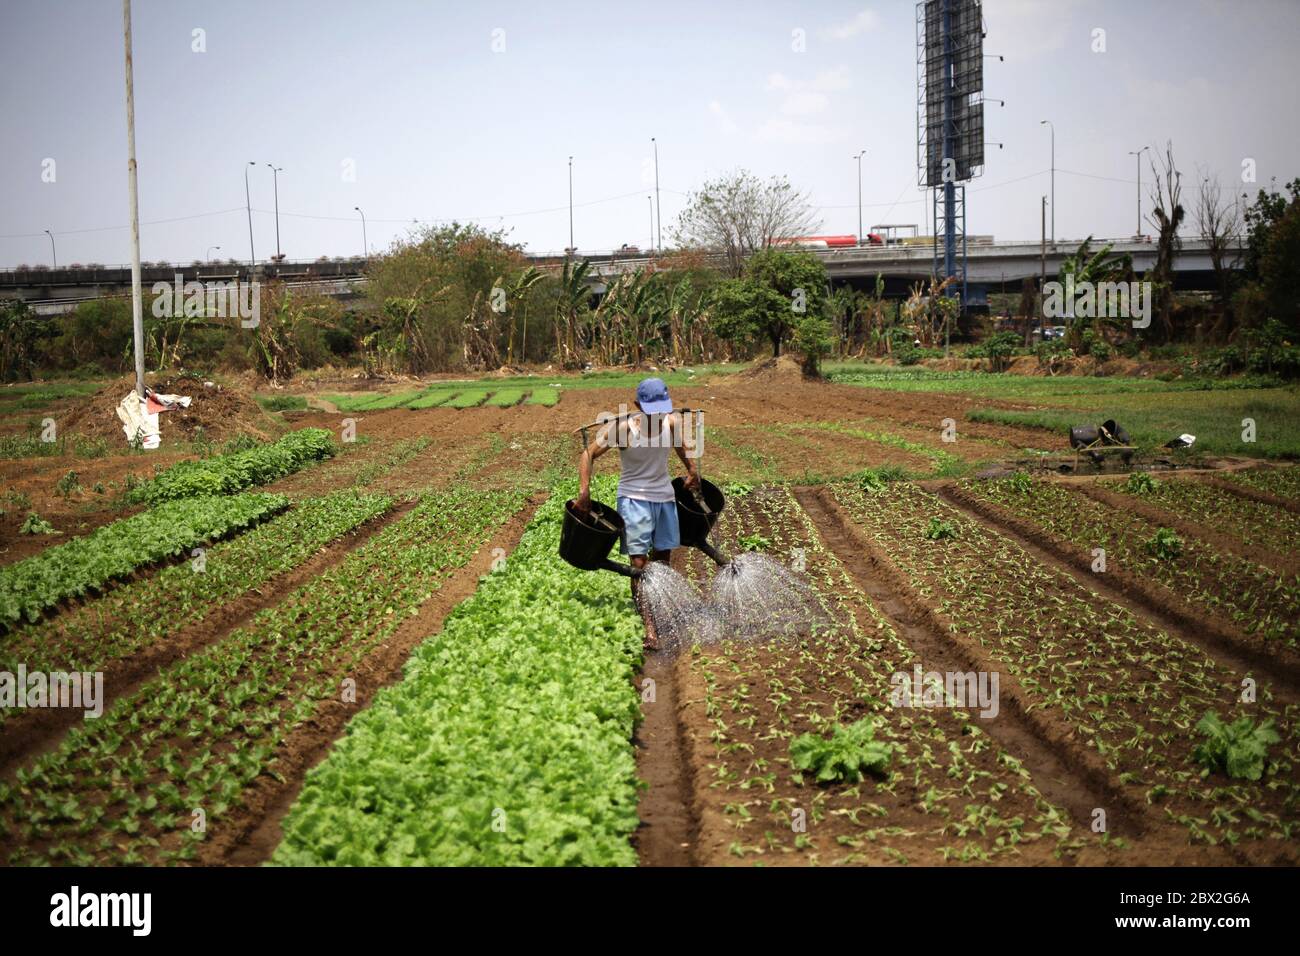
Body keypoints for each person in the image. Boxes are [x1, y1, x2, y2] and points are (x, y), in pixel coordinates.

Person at [575, 377, 700, 650]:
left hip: (665, 499)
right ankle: (650, 629)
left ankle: (659, 613)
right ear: (637, 406)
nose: (658, 414)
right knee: (639, 565)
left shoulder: (671, 422)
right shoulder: (623, 428)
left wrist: (692, 469)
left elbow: (679, 445)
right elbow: (588, 454)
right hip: (633, 500)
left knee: (662, 562)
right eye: (652, 408)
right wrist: (584, 491)